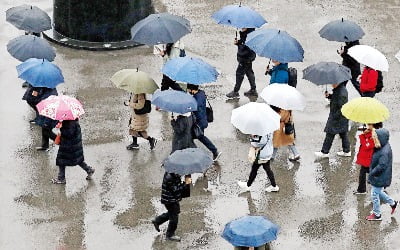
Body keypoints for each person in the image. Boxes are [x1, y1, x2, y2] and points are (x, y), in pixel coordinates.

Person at [366, 128, 397, 221]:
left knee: (374, 194)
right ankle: (393, 203)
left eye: (375, 137)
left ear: (380, 138)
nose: (373, 138)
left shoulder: (384, 152)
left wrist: (372, 173)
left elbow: (381, 166)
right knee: (378, 191)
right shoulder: (383, 145)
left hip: (380, 177)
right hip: (381, 176)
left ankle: (377, 214)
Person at [51, 119, 95, 184]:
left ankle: (61, 178)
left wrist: (61, 128)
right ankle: (89, 170)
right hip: (73, 145)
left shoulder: (69, 123)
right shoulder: (73, 121)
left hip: (69, 146)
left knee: (61, 161)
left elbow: (68, 134)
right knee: (77, 160)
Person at [151, 172, 192, 241]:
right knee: (174, 217)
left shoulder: (173, 173)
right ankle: (170, 235)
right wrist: (186, 183)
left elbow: (176, 186)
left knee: (174, 212)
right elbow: (176, 190)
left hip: (171, 198)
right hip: (169, 200)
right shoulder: (170, 177)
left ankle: (157, 220)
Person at [315, 82, 350, 158]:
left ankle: (325, 152)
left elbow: (342, 107)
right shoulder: (339, 89)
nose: (332, 84)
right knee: (343, 133)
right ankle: (346, 151)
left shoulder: (341, 92)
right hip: (341, 118)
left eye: (333, 82)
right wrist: (329, 96)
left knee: (330, 133)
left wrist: (335, 116)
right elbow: (336, 99)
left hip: (338, 118)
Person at [187, 84, 221, 161]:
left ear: (192, 89)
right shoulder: (201, 93)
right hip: (202, 120)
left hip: (199, 123)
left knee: (199, 137)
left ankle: (214, 151)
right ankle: (192, 153)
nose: (188, 91)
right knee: (191, 137)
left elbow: (194, 107)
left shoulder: (197, 98)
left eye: (188, 89)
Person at [22, 85, 59, 150]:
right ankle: (45, 146)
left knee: (46, 130)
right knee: (45, 128)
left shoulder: (39, 87)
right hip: (49, 109)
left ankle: (60, 142)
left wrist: (33, 94)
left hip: (47, 111)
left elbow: (34, 97)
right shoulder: (50, 85)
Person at [226, 28, 257, 98]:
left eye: (244, 26)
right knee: (249, 73)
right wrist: (239, 42)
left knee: (239, 74)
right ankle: (253, 90)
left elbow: (246, 48)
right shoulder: (247, 34)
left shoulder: (249, 35)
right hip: (248, 58)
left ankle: (235, 91)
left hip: (245, 59)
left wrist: (239, 44)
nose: (242, 27)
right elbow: (244, 43)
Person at [354, 123, 382, 195]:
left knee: (370, 174)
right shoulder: (370, 133)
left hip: (369, 160)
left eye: (369, 125)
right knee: (364, 174)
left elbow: (367, 145)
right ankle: (362, 189)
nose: (368, 126)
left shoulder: (374, 136)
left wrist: (362, 136)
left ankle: (363, 190)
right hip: (367, 159)